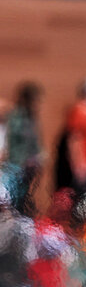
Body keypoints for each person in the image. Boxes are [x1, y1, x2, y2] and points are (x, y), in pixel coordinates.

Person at [2, 82, 41, 213]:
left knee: (21, 200)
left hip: (26, 168)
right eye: (35, 100)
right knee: (12, 201)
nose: (37, 104)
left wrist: (37, 158)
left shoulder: (30, 117)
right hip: (15, 165)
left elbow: (33, 141)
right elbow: (10, 140)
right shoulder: (16, 117)